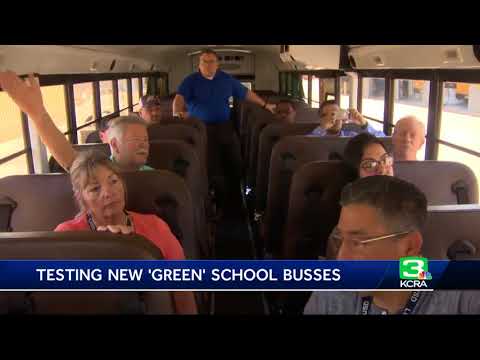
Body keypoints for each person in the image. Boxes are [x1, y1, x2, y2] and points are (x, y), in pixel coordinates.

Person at [305, 175, 480, 315]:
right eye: (340, 239)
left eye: (358, 243)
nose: (341, 258)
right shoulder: (329, 295)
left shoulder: (464, 299)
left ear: (410, 246)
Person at [53, 150, 197, 314]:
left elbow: (182, 290)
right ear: (82, 198)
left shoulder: (156, 227)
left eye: (113, 181)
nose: (108, 193)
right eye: (95, 189)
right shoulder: (67, 236)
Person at [172, 48, 275, 207]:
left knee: (235, 160)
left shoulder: (226, 79)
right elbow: (179, 100)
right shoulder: (190, 80)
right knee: (210, 164)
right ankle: (213, 198)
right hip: (201, 128)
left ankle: (236, 196)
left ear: (217, 64)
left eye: (211, 61)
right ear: (199, 64)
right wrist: (176, 115)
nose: (207, 64)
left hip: (224, 126)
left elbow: (246, 93)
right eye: (204, 61)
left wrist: (265, 105)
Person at [0, 71, 153, 172]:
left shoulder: (155, 177)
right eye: (136, 139)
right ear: (114, 145)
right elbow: (68, 158)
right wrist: (37, 113)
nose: (143, 144)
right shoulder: (100, 171)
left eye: (146, 140)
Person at [310, 100, 385, 137]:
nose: (335, 118)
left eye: (338, 114)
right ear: (321, 119)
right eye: (331, 114)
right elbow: (303, 146)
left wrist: (364, 124)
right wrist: (323, 129)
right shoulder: (314, 135)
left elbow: (382, 139)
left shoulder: (351, 136)